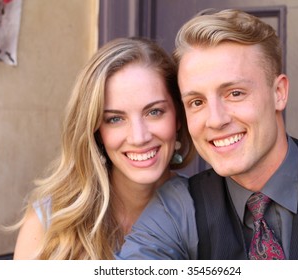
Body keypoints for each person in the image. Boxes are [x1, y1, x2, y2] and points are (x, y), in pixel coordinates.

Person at [116, 9, 298, 260]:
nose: (216, 120)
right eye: (197, 102)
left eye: (235, 93)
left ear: (279, 92)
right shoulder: (177, 209)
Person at [11, 37, 194, 259]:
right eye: (115, 119)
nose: (139, 137)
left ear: (178, 116)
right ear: (96, 131)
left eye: (154, 112)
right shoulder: (51, 221)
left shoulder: (205, 212)